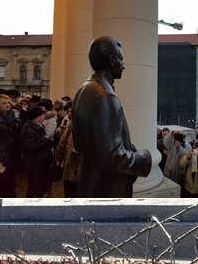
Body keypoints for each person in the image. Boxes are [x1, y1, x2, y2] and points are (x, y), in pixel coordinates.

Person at [72, 36, 151, 197]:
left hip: (91, 181)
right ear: (112, 60)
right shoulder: (105, 95)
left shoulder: (85, 88)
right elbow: (112, 156)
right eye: (121, 59)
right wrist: (143, 159)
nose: (123, 65)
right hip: (107, 187)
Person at [20, 106, 54, 197]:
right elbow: (30, 146)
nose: (44, 117)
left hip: (40, 160)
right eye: (42, 115)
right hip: (34, 161)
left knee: (39, 185)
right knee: (35, 187)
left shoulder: (38, 125)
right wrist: (46, 139)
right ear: (36, 117)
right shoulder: (29, 129)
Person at [54, 104, 80, 197]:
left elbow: (63, 141)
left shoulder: (75, 121)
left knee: (70, 194)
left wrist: (58, 157)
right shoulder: (97, 123)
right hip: (84, 170)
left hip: (71, 165)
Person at [0, 93, 22, 197]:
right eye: (4, 103)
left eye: (9, 102)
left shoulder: (14, 115)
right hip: (1, 155)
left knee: (11, 181)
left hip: (12, 154)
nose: (8, 105)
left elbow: (18, 134)